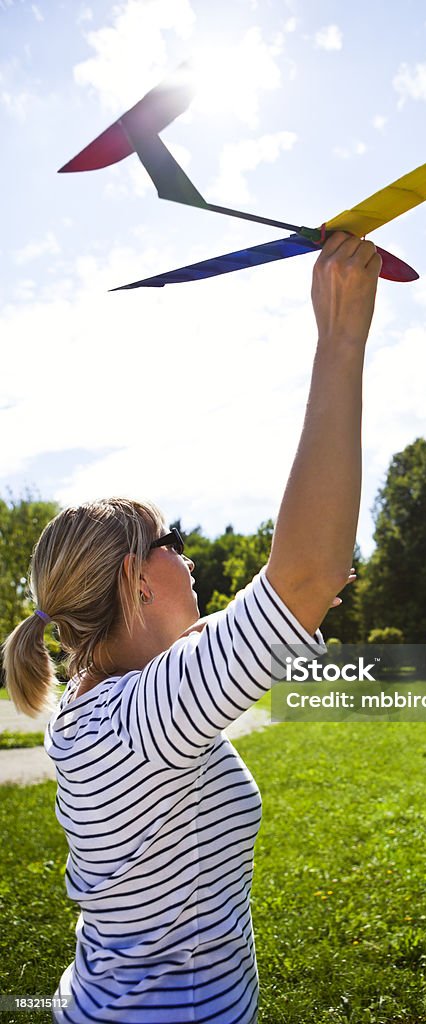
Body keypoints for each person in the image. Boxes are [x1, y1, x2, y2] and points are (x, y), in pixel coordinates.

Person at [1, 232, 382, 1024]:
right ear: (136, 584)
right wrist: (341, 336)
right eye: (171, 542)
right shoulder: (143, 717)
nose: (190, 555)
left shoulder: (104, 706)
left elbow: (295, 590)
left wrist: (283, 608)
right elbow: (305, 574)